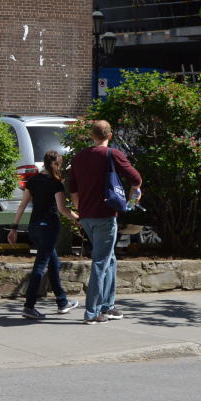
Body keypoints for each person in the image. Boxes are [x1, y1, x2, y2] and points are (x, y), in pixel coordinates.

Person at [67, 119, 142, 325]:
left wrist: (81, 210)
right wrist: (134, 194)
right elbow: (136, 178)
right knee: (101, 262)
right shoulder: (112, 154)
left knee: (110, 260)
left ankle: (108, 306)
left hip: (87, 217)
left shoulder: (80, 157)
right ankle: (92, 312)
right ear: (110, 135)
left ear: (92, 135)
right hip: (105, 216)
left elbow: (73, 189)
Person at [7, 150, 81, 320]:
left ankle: (62, 302)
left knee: (53, 263)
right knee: (40, 266)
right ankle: (29, 306)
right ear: (57, 164)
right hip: (49, 227)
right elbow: (62, 209)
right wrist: (79, 218)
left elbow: (22, 206)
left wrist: (14, 228)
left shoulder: (33, 180)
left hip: (34, 227)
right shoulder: (56, 183)